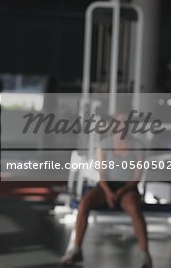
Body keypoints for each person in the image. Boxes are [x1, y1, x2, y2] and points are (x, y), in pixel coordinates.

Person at [61, 113, 153, 268]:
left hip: (127, 188)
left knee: (134, 209)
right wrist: (109, 193)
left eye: (125, 123)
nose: (122, 126)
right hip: (105, 186)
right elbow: (101, 175)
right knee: (84, 203)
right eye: (119, 123)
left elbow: (137, 177)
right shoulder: (104, 144)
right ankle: (76, 249)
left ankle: (145, 256)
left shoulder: (138, 146)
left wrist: (120, 192)